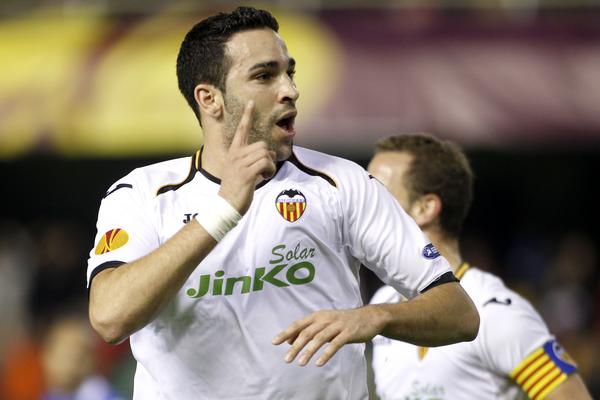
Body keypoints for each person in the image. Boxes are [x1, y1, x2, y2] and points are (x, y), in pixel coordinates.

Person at [86, 8, 479, 399]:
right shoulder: (143, 194)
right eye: (264, 76)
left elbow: (460, 313)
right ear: (210, 99)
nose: (290, 89)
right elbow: (110, 318)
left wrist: (375, 317)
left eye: (289, 72)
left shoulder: (341, 183)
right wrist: (222, 211)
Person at [368, 133, 592, 400]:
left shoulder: (494, 312)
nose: (361, 205)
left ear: (425, 208)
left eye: (376, 192)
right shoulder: (382, 302)